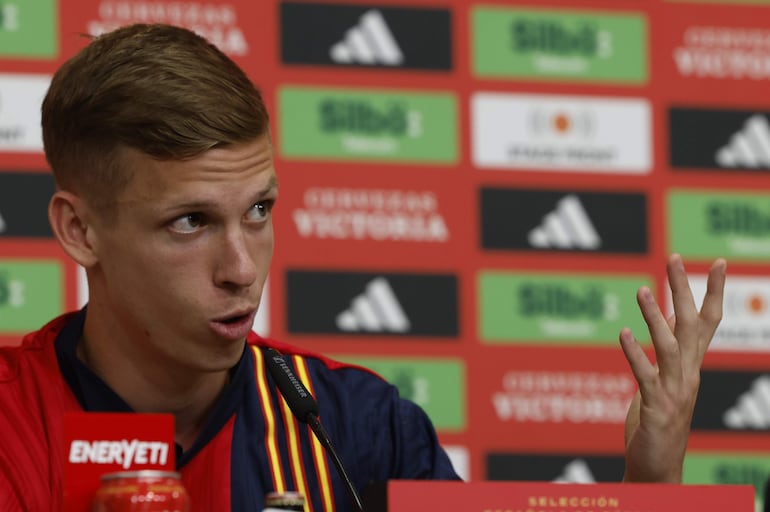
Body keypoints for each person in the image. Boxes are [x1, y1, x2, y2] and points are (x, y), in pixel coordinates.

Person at [0, 22, 725, 510]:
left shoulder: (357, 428)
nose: (241, 267)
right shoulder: (11, 418)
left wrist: (650, 483)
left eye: (259, 210)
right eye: (190, 222)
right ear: (80, 230)